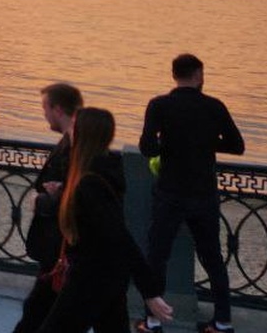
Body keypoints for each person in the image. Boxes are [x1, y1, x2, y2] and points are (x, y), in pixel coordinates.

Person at [37, 108, 174, 332]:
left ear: (83, 135)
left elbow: (120, 236)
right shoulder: (102, 170)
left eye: (74, 127)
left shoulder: (90, 183)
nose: (69, 131)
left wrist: (149, 292)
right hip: (108, 275)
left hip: (91, 278)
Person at [137, 54, 245, 333]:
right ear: (198, 74)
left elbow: (147, 147)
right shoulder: (214, 106)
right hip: (204, 194)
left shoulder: (159, 105)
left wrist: (170, 144)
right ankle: (222, 321)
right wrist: (205, 141)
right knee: (213, 258)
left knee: (157, 256)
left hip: (170, 193)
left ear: (174, 75)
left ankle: (152, 321)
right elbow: (237, 145)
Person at [12, 83, 83, 333]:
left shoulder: (76, 144)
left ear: (58, 109)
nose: (43, 113)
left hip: (60, 248)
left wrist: (42, 200)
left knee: (36, 312)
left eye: (45, 107)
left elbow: (76, 195)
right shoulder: (74, 139)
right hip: (60, 250)